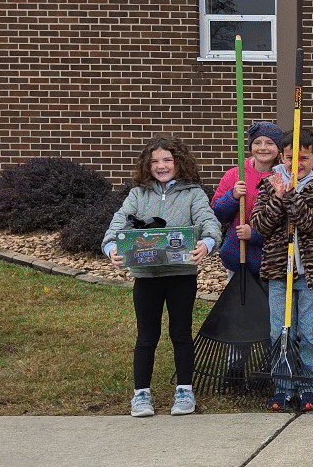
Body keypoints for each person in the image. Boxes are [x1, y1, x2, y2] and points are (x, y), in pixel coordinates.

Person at [102, 136, 222, 418]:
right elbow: (116, 227)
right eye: (155, 161)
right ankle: (141, 394)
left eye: (167, 159)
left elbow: (210, 223)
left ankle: (185, 390)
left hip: (181, 276)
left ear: (179, 162)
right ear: (147, 165)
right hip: (146, 277)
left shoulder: (194, 193)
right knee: (147, 335)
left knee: (180, 334)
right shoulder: (137, 195)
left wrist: (206, 243)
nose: (161, 165)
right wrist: (112, 250)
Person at [251, 129, 313, 413]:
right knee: (281, 331)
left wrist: (293, 197)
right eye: (290, 158)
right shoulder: (269, 184)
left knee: (311, 332)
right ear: (282, 156)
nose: (296, 164)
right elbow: (261, 225)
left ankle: (308, 385)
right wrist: (278, 196)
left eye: (303, 158)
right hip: (279, 272)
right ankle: (283, 387)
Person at [208, 121, 283, 385]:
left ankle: (267, 368)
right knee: (239, 313)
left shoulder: (284, 176)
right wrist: (232, 195)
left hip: (271, 258)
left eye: (270, 143)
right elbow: (216, 212)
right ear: (250, 146)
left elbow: (286, 221)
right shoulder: (235, 174)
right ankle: (235, 368)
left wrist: (256, 234)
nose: (264, 148)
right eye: (258, 142)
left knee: (268, 313)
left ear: (278, 148)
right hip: (238, 256)